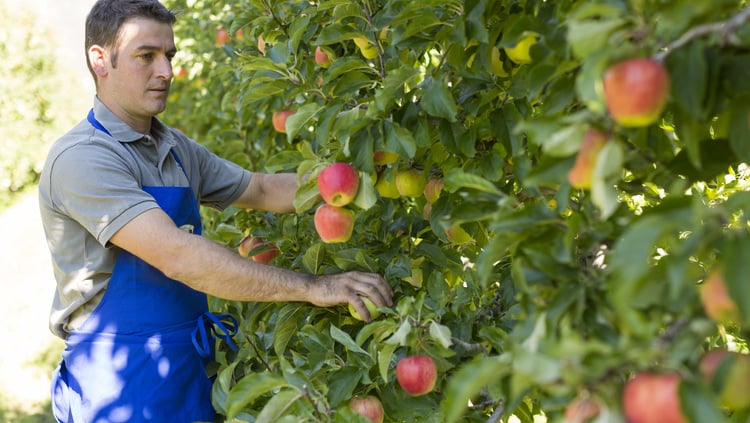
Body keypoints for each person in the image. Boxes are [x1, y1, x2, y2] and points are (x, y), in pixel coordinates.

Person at [37, 1, 393, 422]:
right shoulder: (83, 159)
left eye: (169, 55)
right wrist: (314, 287)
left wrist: (359, 172)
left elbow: (260, 188)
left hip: (188, 367)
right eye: (146, 56)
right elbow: (179, 256)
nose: (166, 71)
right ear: (101, 60)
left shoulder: (173, 147)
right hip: (121, 384)